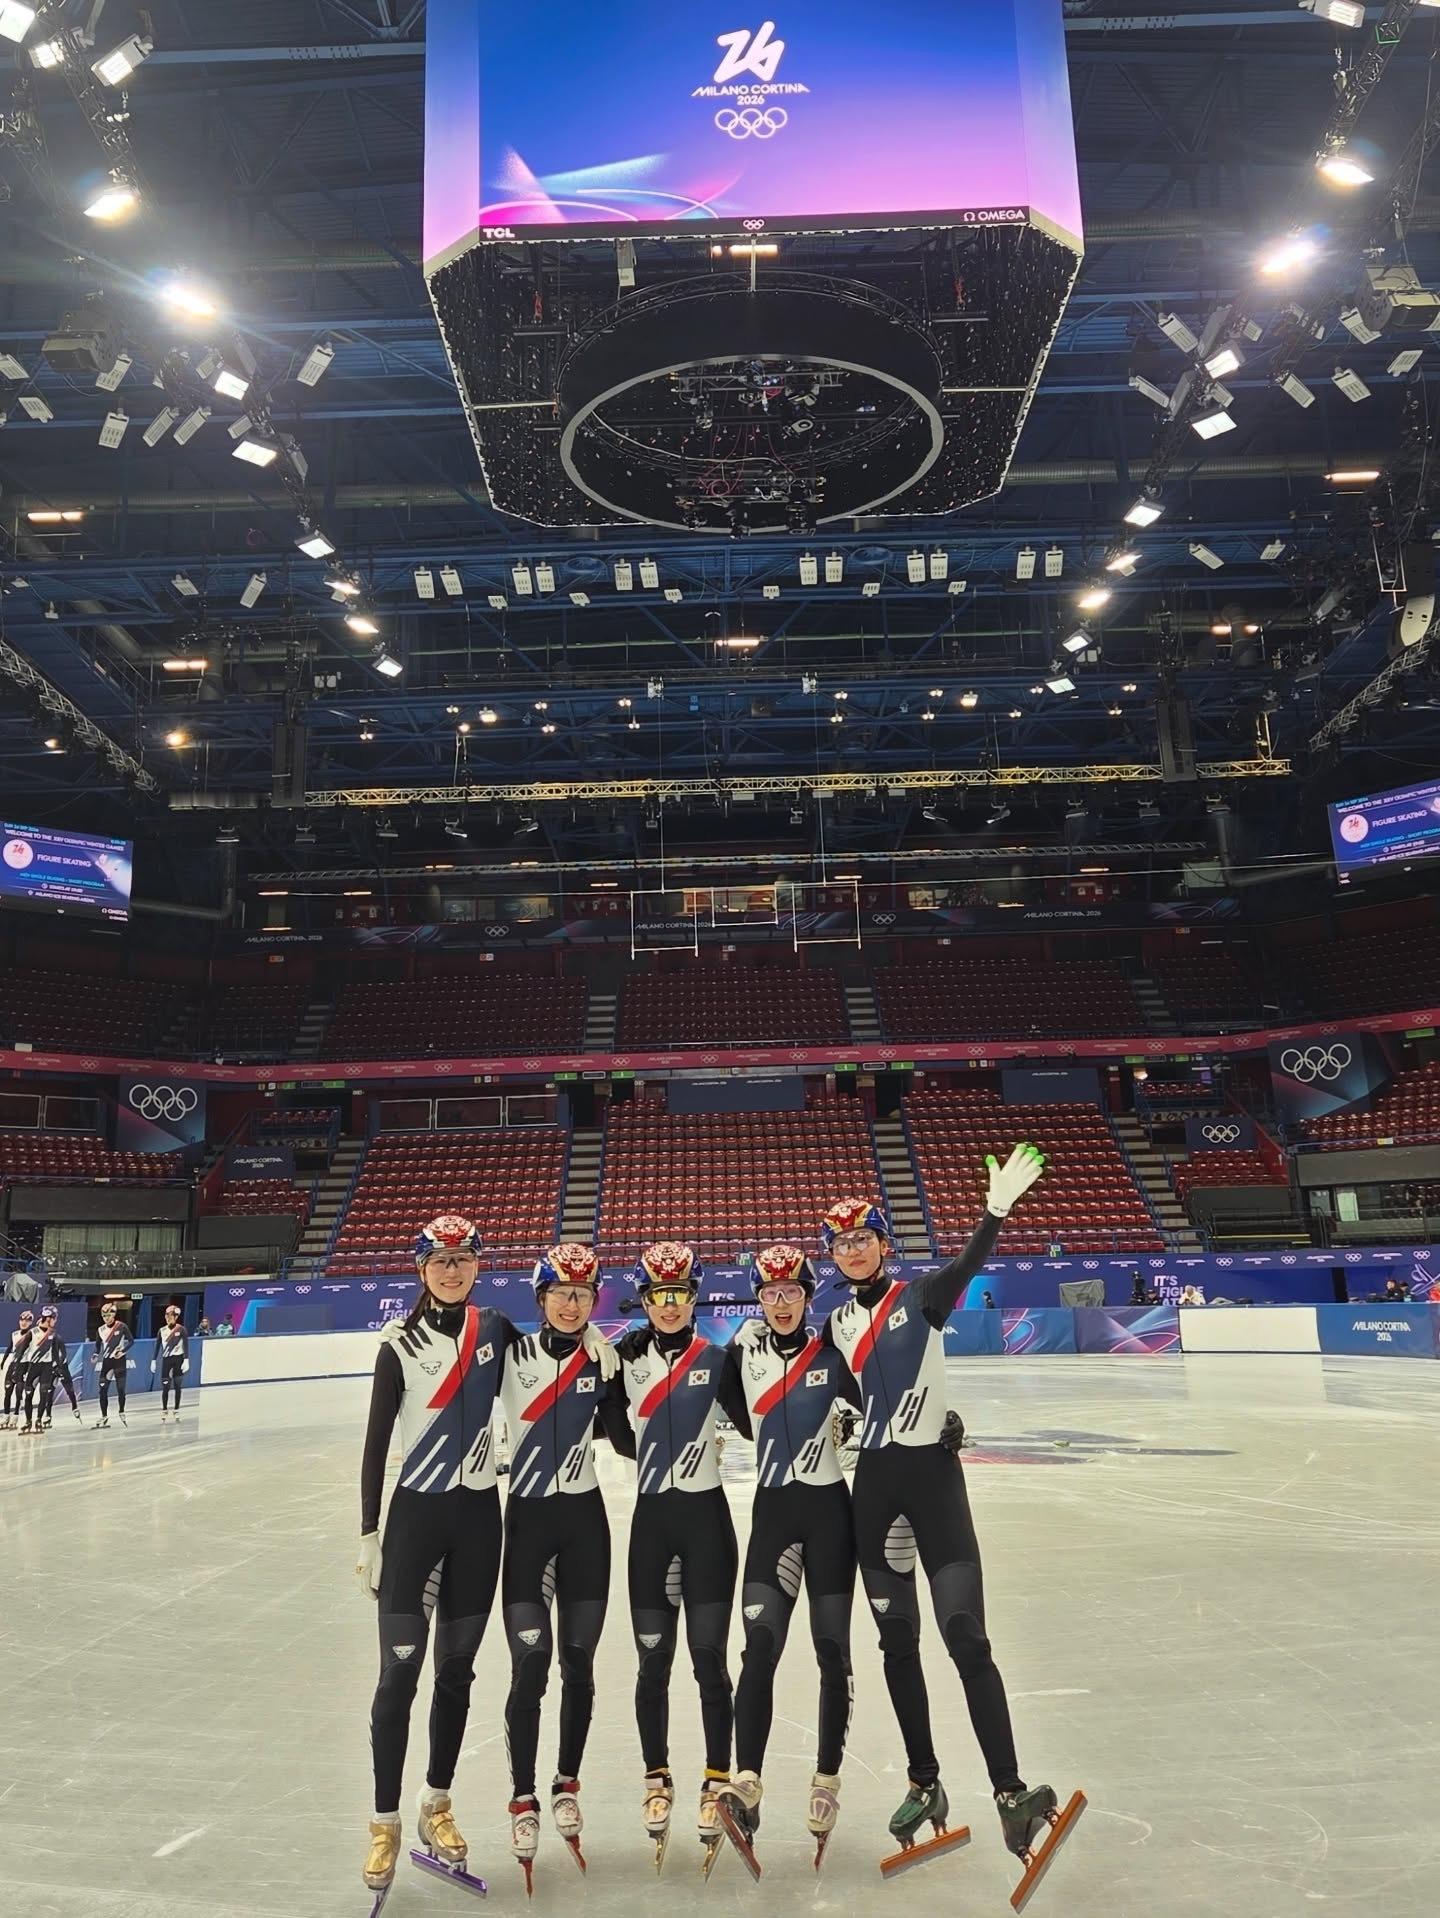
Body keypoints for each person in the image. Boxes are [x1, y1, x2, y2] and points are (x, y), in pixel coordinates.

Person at [819, 1147, 1085, 1902]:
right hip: (875, 1490)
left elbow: (970, 1263)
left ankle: (1010, 1791)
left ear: (883, 1242)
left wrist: (994, 1211)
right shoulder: (833, 1323)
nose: (854, 1250)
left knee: (965, 1635)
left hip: (934, 1485)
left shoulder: (923, 1295)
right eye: (841, 1243)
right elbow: (820, 1389)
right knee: (897, 1643)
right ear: (833, 1257)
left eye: (863, 1237)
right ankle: (924, 1781)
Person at [355, 1216, 615, 1904]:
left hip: (478, 1525)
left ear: (477, 1266)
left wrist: (592, 1338)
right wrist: (368, 1532)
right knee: (398, 1675)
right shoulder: (398, 1345)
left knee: (457, 1673)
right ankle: (383, 1821)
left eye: (463, 1258)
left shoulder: (495, 1330)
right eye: (441, 1259)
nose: (452, 1270)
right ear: (422, 1268)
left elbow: (552, 1349)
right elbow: (376, 1444)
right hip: (415, 1524)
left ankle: (436, 1803)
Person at [711, 1243, 862, 1874]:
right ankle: (747, 1778)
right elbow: (693, 1394)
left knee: (831, 1650)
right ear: (758, 1297)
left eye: (792, 1292)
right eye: (770, 1293)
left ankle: (826, 1779)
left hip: (830, 1516)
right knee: (759, 1646)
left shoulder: (832, 1354)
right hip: (772, 1517)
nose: (780, 1303)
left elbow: (878, 1407)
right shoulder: (739, 1355)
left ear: (807, 1296)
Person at [497, 1243, 633, 1892]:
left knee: (578, 1662)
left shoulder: (603, 1363)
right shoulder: (508, 1353)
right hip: (526, 1528)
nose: (572, 1304)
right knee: (530, 1664)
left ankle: (565, 1784)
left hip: (584, 1527)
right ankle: (523, 1797)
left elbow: (626, 1437)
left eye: (583, 1294)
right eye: (561, 1292)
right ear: (541, 1297)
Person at [615, 1242, 737, 1874]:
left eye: (680, 1293)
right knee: (653, 1662)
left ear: (694, 1298)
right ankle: (656, 1777)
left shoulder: (718, 1359)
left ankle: (717, 1779)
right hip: (652, 1528)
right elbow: (601, 1422)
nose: (669, 1305)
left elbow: (769, 1414)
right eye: (659, 1294)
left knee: (709, 1660)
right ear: (644, 1298)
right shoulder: (624, 1359)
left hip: (707, 1525)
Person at [21, 1304, 67, 1436]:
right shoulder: (32, 1332)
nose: (55, 1321)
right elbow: (21, 1351)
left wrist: (58, 1368)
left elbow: (56, 1353)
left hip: (46, 1368)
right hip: (33, 1367)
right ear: (48, 1318)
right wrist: (20, 1370)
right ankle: (28, 1421)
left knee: (43, 1395)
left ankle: (39, 1420)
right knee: (28, 1395)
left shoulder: (53, 1334)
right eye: (54, 1318)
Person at [94, 1303, 134, 1427]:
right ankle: (104, 1415)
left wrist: (123, 1351)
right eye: (104, 1316)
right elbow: (97, 1346)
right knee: (102, 1390)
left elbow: (131, 1341)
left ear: (114, 1315)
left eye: (108, 1315)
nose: (106, 1318)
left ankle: (121, 1410)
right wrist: (95, 1354)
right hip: (107, 1362)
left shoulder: (121, 1326)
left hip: (119, 1362)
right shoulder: (100, 1330)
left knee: (120, 1389)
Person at [153, 1304, 190, 1420]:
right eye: (166, 1316)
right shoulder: (161, 1330)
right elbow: (157, 1346)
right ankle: (164, 1410)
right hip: (167, 1360)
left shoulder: (181, 1329)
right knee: (166, 1387)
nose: (168, 1318)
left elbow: (186, 1345)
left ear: (176, 1317)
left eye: (171, 1316)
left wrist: (186, 1359)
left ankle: (176, 1409)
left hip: (178, 1359)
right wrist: (153, 1360)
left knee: (177, 1386)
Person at [2, 1307, 36, 1430]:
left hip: (24, 1365)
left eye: (27, 1321)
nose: (24, 1322)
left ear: (31, 1322)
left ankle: (15, 1416)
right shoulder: (14, 1334)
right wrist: (3, 1361)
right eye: (22, 1320)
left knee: (18, 1392)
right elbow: (9, 1348)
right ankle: (6, 1416)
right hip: (13, 1364)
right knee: (8, 1391)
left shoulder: (32, 1335)